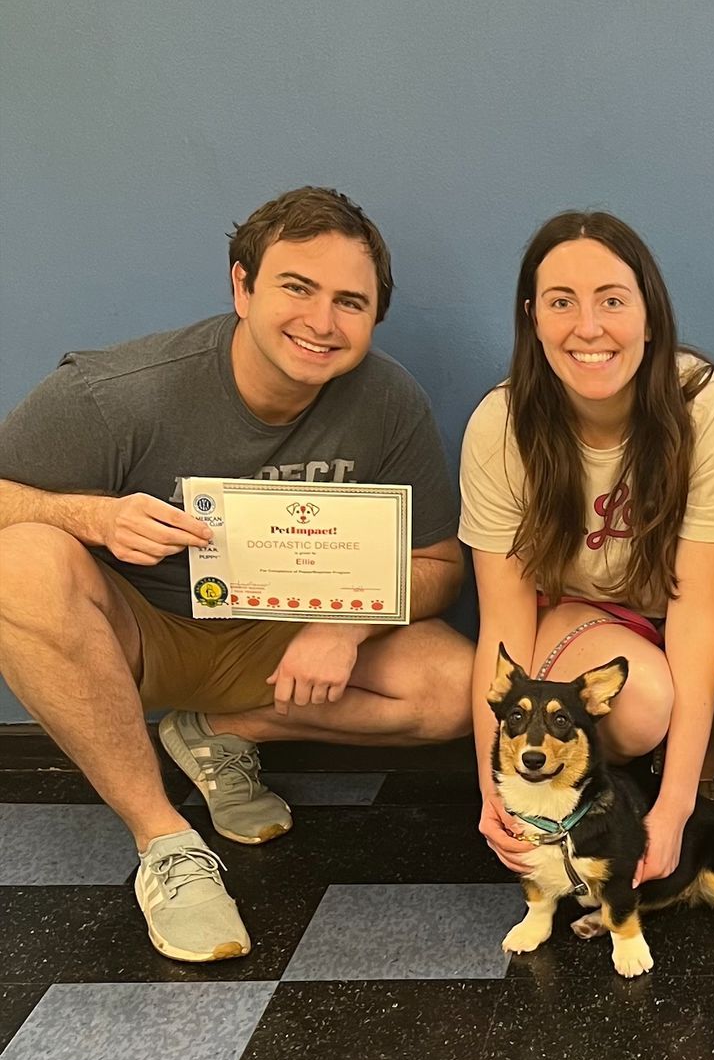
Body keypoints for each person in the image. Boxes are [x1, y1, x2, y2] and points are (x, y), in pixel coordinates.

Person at [0, 187, 472, 961]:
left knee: (458, 686)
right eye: (297, 287)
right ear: (241, 285)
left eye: (350, 301)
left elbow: (441, 566)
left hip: (279, 640)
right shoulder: (118, 393)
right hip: (140, 634)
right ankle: (166, 845)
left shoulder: (387, 402)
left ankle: (218, 733)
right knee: (19, 556)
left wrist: (342, 626)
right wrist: (96, 517)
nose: (322, 321)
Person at [460, 212, 714, 886]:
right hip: (578, 612)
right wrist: (494, 781)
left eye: (612, 300)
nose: (589, 326)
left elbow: (693, 610)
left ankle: (685, 773)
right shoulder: (501, 423)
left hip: (684, 603)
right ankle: (600, 798)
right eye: (561, 302)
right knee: (643, 701)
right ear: (532, 318)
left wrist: (677, 806)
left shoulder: (708, 404)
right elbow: (505, 629)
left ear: (650, 316)